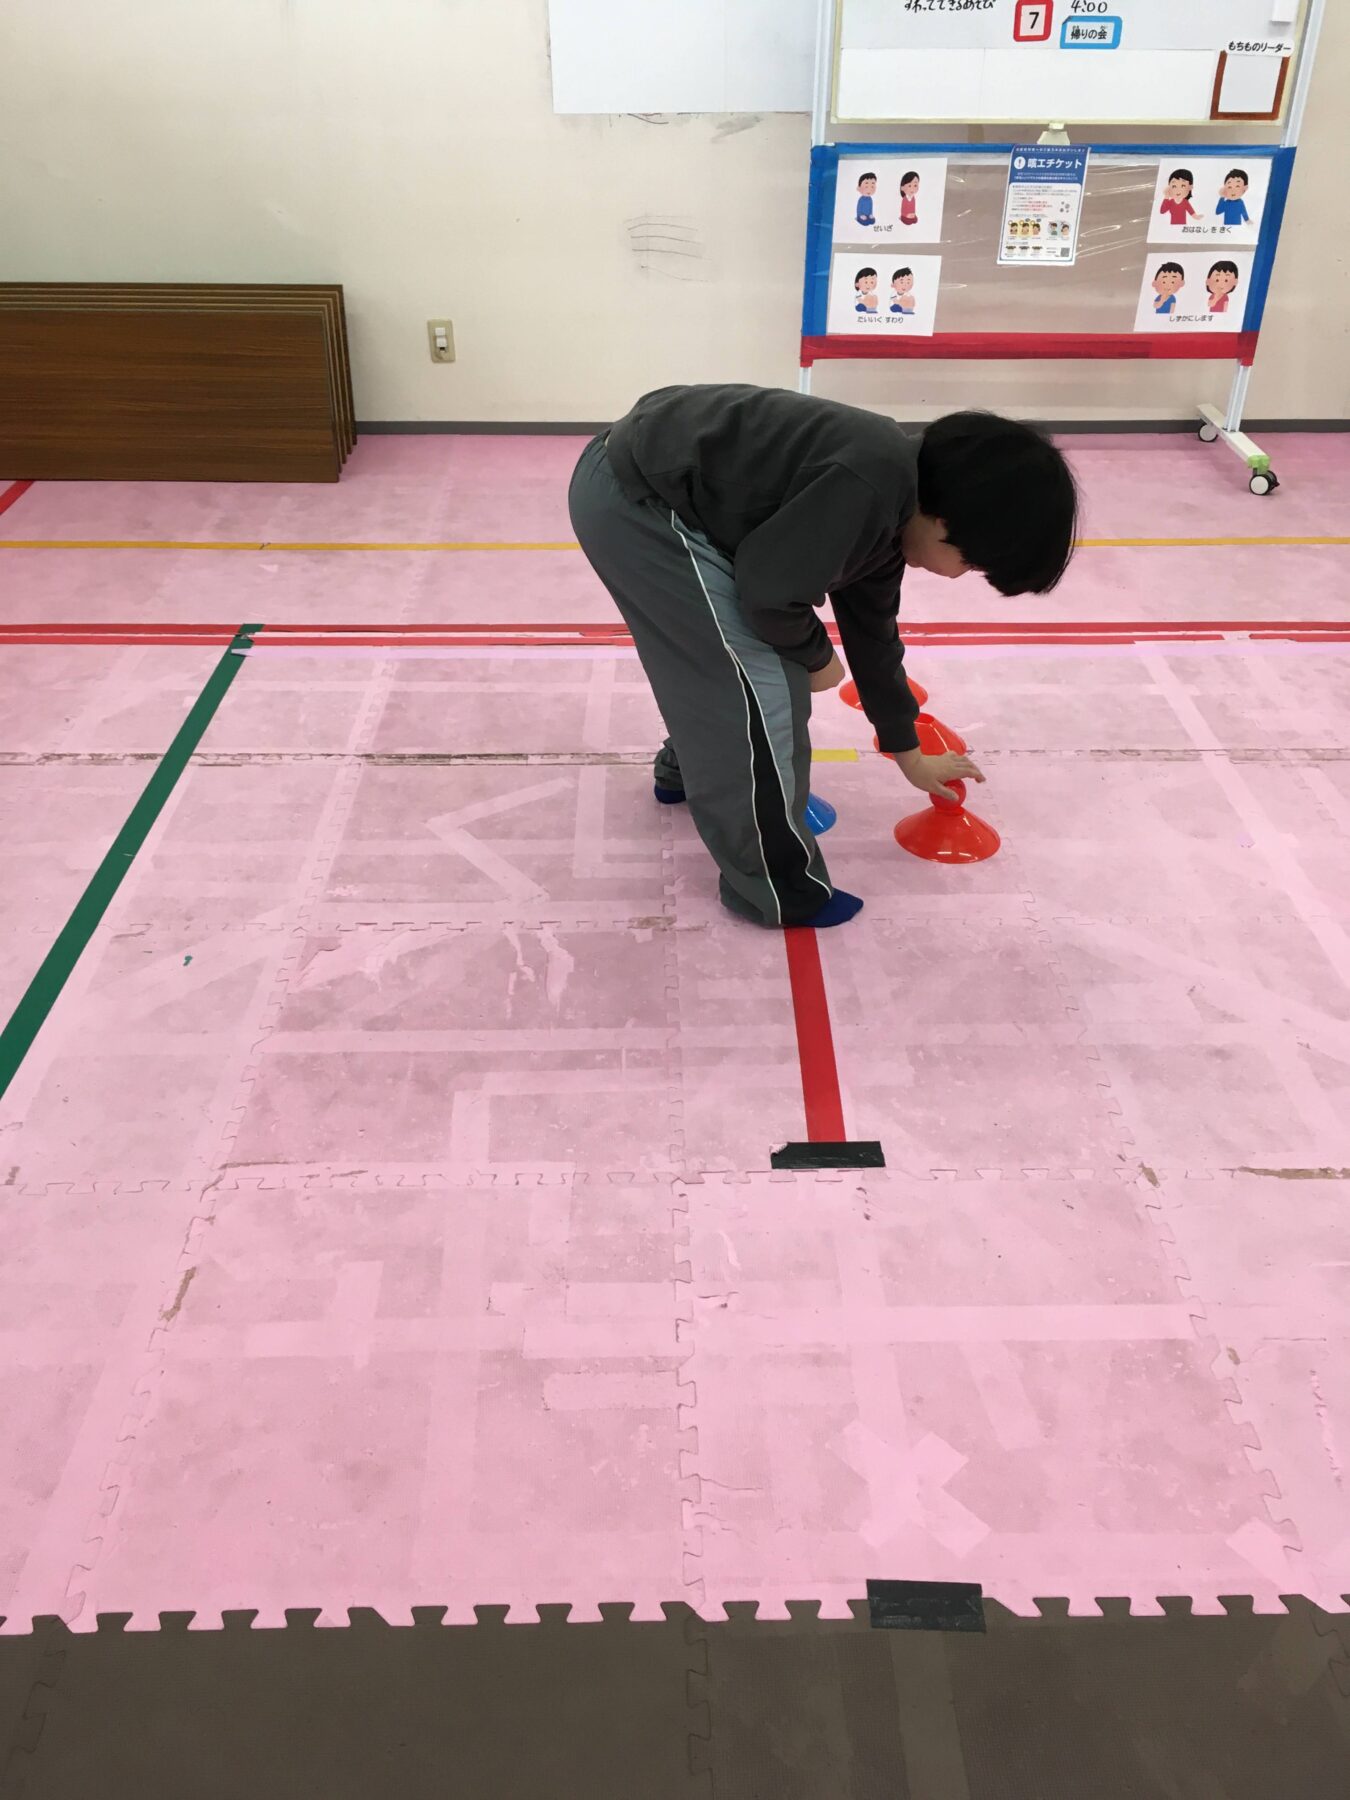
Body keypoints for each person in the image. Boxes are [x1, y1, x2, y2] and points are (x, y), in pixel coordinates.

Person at [568, 385, 1079, 929]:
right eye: (970, 564)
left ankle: (687, 773)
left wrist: (909, 752)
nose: (958, 576)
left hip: (648, 487)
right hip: (639, 501)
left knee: (729, 667)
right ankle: (779, 888)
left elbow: (874, 637)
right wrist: (816, 656)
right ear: (943, 522)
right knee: (769, 684)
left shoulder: (895, 503)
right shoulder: (869, 485)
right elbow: (768, 591)